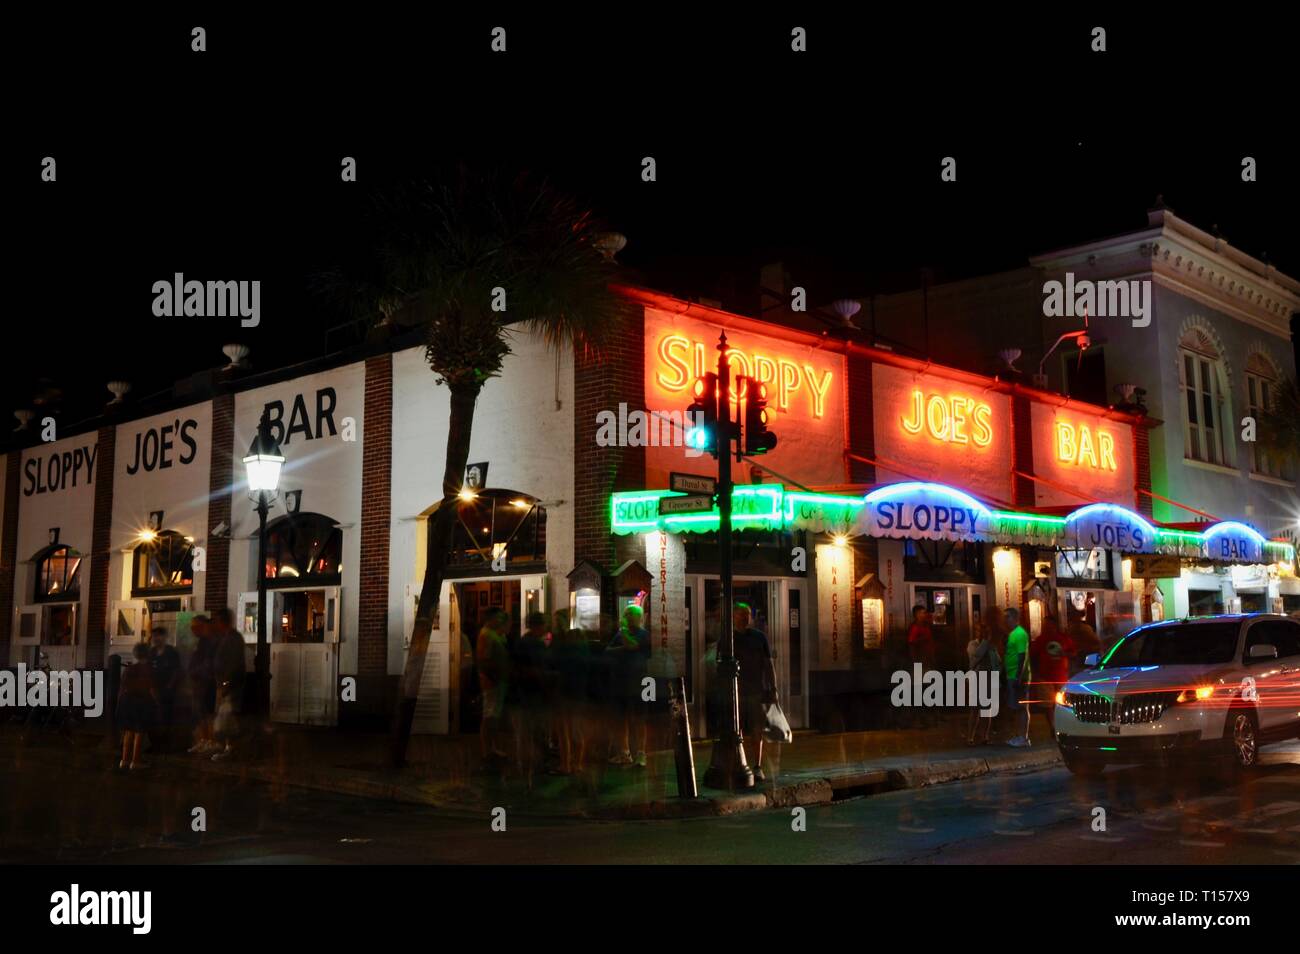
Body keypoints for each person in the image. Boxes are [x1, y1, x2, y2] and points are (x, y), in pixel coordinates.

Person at [733, 602, 779, 783]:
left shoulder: (759, 637)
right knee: (739, 730)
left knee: (756, 729)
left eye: (747, 615)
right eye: (740, 614)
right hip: (736, 690)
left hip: (756, 690)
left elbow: (769, 664)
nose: (744, 618)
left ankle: (757, 766)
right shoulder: (728, 638)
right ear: (734, 616)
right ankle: (741, 762)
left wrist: (773, 688)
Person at [606, 604, 650, 767]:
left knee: (640, 718)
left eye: (628, 615)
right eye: (626, 615)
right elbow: (608, 650)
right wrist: (623, 647)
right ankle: (624, 753)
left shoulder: (644, 635)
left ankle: (641, 753)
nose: (626, 617)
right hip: (622, 681)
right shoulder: (620, 634)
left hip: (644, 681)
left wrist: (623, 635)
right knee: (621, 718)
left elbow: (632, 646)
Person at [550, 610, 590, 774]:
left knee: (563, 730)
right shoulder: (583, 648)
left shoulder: (563, 647)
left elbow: (555, 665)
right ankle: (578, 764)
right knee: (576, 729)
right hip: (579, 692)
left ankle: (565, 765)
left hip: (564, 691)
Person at [514, 611, 550, 787]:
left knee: (525, 732)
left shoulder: (521, 642)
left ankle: (524, 766)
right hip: (534, 694)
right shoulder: (536, 645)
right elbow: (541, 669)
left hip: (522, 693)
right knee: (535, 731)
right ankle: (534, 767)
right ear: (538, 626)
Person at [210, 607, 247, 762]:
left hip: (230, 687)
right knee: (226, 718)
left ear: (222, 621)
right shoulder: (226, 637)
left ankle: (230, 748)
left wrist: (225, 683)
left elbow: (232, 664)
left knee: (228, 719)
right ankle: (228, 747)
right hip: (226, 685)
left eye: (217, 621)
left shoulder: (232, 638)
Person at [476, 609, 511, 763]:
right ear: (489, 618)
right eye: (497, 618)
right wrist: (491, 678)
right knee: (489, 716)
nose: (499, 620)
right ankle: (487, 750)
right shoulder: (486, 635)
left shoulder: (494, 633)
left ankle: (492, 748)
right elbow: (484, 660)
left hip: (498, 680)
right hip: (492, 682)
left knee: (493, 715)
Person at [117, 643, 158, 771]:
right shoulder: (149, 669)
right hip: (141, 702)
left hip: (126, 702)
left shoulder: (129, 669)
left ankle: (124, 760)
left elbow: (122, 687)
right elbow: (152, 689)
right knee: (139, 732)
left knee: (128, 731)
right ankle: (136, 760)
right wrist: (158, 703)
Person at [1031, 613, 1075, 732]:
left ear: (1054, 625)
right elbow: (1033, 655)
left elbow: (1073, 653)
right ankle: (1053, 726)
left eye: (1049, 624)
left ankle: (1060, 724)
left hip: (1060, 675)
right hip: (1045, 676)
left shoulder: (1063, 638)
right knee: (1048, 704)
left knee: (1060, 703)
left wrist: (1064, 654)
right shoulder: (1041, 639)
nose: (1046, 626)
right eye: (1045, 624)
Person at [187, 616, 218, 754]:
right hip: (199, 682)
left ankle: (211, 741)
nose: (193, 630)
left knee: (208, 713)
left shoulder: (211, 640)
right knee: (201, 713)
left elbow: (210, 663)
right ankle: (204, 740)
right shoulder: (203, 641)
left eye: (195, 627)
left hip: (207, 683)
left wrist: (197, 671)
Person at [148, 626, 182, 752]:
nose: (156, 638)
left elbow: (176, 670)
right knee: (153, 717)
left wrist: (170, 686)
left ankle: (165, 743)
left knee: (166, 716)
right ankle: (154, 744)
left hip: (167, 691)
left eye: (158, 635)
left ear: (164, 637)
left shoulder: (171, 652)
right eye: (154, 636)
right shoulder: (151, 652)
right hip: (153, 690)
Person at [965, 621, 999, 745]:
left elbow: (997, 660)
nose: (982, 634)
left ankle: (985, 736)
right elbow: (976, 655)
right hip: (976, 678)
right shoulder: (973, 644)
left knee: (987, 709)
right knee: (974, 709)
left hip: (989, 678)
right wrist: (986, 642)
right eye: (980, 631)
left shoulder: (991, 646)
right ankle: (970, 737)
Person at [1003, 607, 1031, 746]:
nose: (1005, 620)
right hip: (1013, 675)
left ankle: (1023, 737)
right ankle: (1019, 735)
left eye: (1007, 617)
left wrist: (1019, 676)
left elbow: (1022, 655)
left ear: (1014, 618)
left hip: (1017, 676)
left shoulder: (1019, 634)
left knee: (1021, 707)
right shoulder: (1013, 634)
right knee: (1017, 707)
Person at [906, 604, 936, 726]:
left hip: (927, 661)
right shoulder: (915, 628)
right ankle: (919, 718)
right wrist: (915, 662)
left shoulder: (926, 626)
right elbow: (911, 643)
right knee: (920, 689)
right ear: (916, 614)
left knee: (927, 688)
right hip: (920, 663)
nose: (924, 615)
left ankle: (926, 716)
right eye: (922, 612)